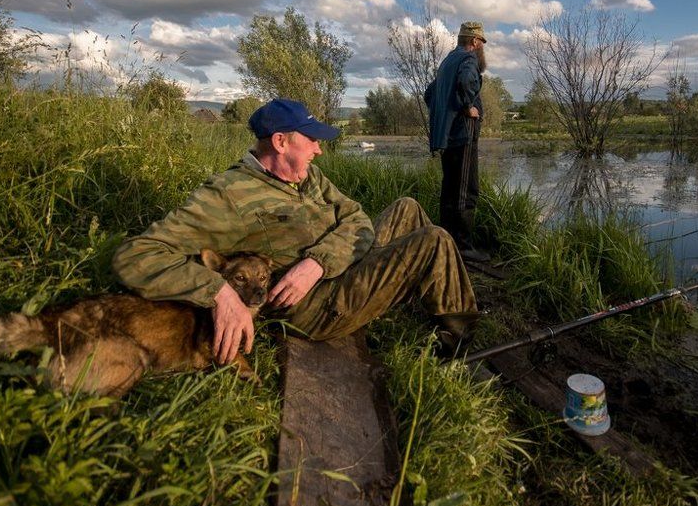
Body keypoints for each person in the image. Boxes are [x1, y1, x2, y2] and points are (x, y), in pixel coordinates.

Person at [112, 98, 480, 364]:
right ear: (280, 142)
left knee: (407, 207)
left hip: (332, 270)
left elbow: (356, 217)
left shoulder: (308, 176)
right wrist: (219, 292)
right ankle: (461, 343)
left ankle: (421, 299)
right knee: (434, 240)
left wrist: (318, 262)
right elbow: (137, 255)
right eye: (312, 140)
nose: (319, 150)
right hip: (319, 306)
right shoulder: (228, 196)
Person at [425, 21, 490, 263]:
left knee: (450, 189)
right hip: (463, 136)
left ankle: (446, 240)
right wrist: (466, 108)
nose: (482, 47)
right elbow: (465, 83)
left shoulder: (447, 61)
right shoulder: (469, 59)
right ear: (474, 42)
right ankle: (463, 247)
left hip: (448, 136)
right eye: (481, 43)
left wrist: (445, 114)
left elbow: (429, 94)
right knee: (466, 190)